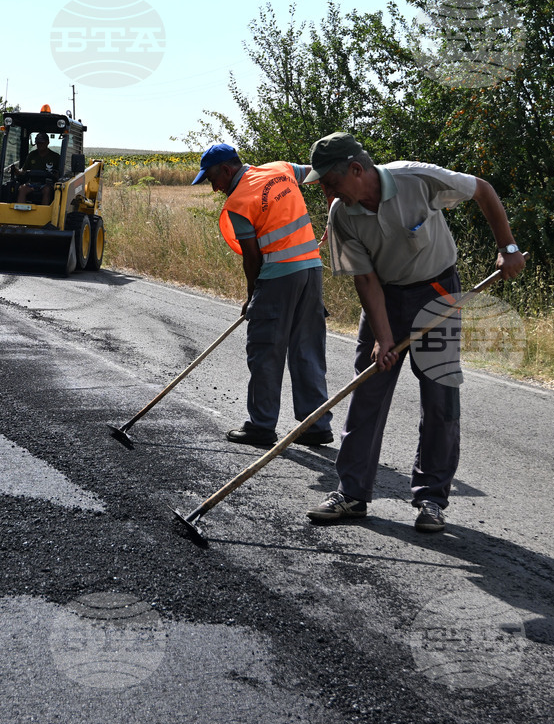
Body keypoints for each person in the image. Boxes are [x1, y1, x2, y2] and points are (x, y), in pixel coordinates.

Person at [303, 132, 525, 532]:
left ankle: (431, 500)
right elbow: (365, 279)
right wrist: (383, 338)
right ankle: (351, 494)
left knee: (439, 398)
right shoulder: (342, 214)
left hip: (437, 295)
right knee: (367, 392)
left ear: (356, 170)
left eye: (330, 183)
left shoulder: (416, 179)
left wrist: (507, 248)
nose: (326, 194)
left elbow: (483, 189)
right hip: (384, 300)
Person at [193, 143, 333, 448]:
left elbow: (252, 258)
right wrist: (335, 208)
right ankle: (316, 425)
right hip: (312, 271)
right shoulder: (281, 168)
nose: (215, 188)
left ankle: (262, 426)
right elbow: (323, 172)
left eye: (213, 179)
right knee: (306, 349)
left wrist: (252, 297)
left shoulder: (239, 201)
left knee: (265, 351)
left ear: (228, 170)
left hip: (279, 278)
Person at [12, 132, 58, 204]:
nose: (40, 145)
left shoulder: (55, 157)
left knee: (47, 190)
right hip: (32, 183)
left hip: (47, 184)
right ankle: (20, 211)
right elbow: (24, 170)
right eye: (38, 143)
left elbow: (59, 174)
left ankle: (43, 213)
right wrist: (15, 171)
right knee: (22, 189)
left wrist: (53, 176)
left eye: (42, 143)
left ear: (47, 142)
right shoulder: (32, 155)